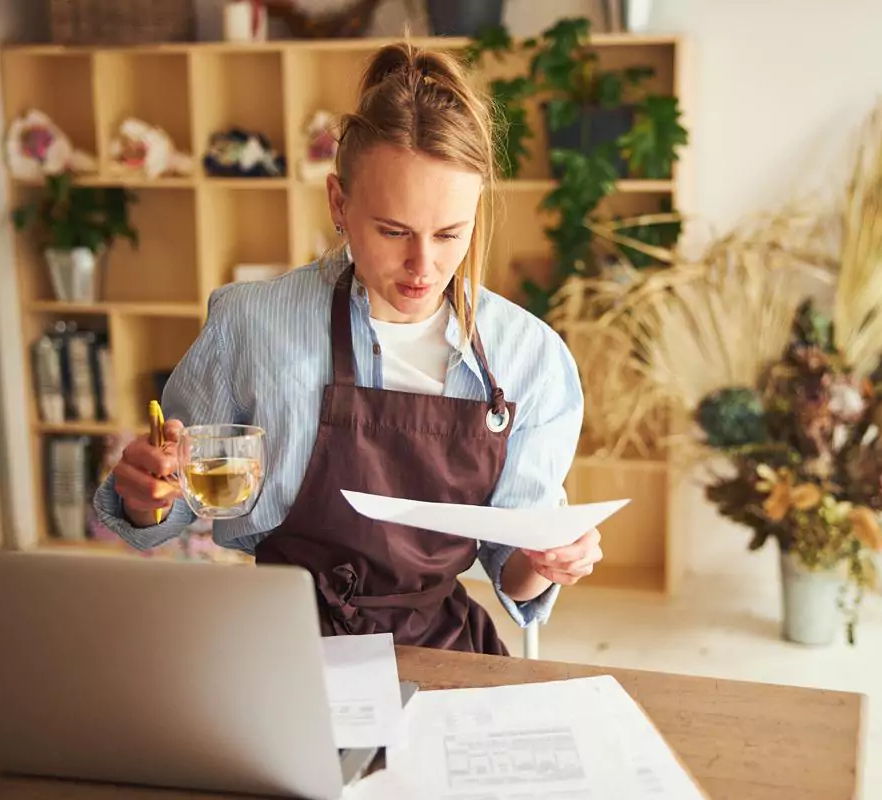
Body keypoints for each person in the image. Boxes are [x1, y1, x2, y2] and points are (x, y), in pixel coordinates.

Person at [92, 41, 603, 656]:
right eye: (393, 231)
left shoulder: (529, 357)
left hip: (443, 650)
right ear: (339, 202)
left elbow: (513, 575)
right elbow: (162, 513)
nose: (423, 265)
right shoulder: (250, 325)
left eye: (450, 234)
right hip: (281, 644)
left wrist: (547, 560)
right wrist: (146, 493)